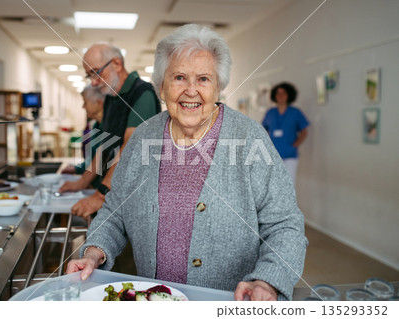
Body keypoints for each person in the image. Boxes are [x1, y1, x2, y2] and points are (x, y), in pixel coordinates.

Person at [66, 24, 307, 301]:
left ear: (218, 86)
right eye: (179, 77)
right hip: (156, 303)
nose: (191, 91)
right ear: (162, 86)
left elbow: (285, 225)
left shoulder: (250, 138)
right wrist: (95, 252)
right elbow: (115, 211)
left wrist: (267, 281)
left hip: (228, 305)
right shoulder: (144, 136)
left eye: (204, 79)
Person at [59, 43, 161, 218]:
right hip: (112, 197)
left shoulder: (142, 94)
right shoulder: (110, 98)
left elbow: (130, 149)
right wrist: (82, 183)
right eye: (89, 75)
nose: (93, 82)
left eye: (97, 72)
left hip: (134, 201)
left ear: (117, 64)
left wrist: (101, 194)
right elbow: (104, 149)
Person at [262, 82, 309, 185]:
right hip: (273, 155)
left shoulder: (295, 112)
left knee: (289, 184)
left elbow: (304, 131)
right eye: (278, 93)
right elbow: (262, 130)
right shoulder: (270, 113)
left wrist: (295, 145)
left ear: (289, 95)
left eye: (283, 93)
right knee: (273, 185)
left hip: (289, 155)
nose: (280, 96)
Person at [61, 84, 105, 188]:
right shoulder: (96, 126)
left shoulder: (111, 128)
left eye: (85, 102)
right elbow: (92, 160)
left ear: (98, 103)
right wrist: (76, 169)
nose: (83, 106)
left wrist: (81, 183)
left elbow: (103, 163)